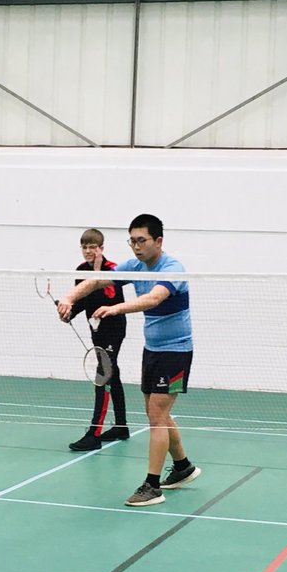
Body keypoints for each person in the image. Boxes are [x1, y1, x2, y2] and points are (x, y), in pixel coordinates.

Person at [57, 213, 200, 506]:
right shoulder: (135, 266)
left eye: (141, 240)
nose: (136, 247)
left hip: (175, 351)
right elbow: (96, 281)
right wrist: (69, 297)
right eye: (132, 241)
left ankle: (152, 486)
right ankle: (183, 466)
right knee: (157, 411)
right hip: (154, 349)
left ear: (158, 241)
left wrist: (116, 308)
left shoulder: (172, 268)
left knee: (156, 416)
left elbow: (153, 299)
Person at [62, 228, 130, 452]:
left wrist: (98, 270)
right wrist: (68, 312)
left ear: (101, 248)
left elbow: (109, 297)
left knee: (103, 376)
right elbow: (82, 299)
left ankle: (94, 433)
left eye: (93, 247)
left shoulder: (113, 270)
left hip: (114, 328)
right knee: (113, 374)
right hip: (96, 330)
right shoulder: (81, 270)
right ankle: (121, 426)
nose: (88, 251)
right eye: (85, 247)